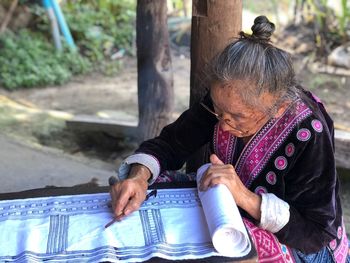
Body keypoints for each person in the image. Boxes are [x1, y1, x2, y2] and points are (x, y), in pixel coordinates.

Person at [109, 16, 350, 262]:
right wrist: (138, 177)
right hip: (231, 209)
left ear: (278, 108)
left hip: (301, 242)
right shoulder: (225, 101)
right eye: (218, 110)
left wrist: (243, 196)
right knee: (156, 188)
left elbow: (315, 233)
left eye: (237, 116)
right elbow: (171, 143)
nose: (223, 123)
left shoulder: (308, 131)